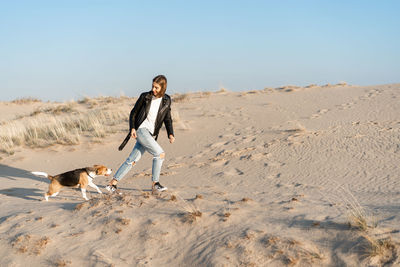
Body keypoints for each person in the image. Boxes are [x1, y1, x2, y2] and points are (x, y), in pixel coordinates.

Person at [106, 75, 175, 193]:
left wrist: (170, 133)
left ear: (163, 88)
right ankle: (155, 184)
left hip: (151, 134)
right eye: (153, 86)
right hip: (141, 130)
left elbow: (167, 118)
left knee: (132, 160)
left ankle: (112, 184)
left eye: (156, 88)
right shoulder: (145, 97)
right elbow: (133, 113)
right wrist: (132, 128)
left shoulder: (166, 100)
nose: (153, 89)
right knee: (160, 154)